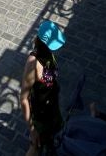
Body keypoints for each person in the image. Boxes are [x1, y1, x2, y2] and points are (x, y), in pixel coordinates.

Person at [21, 20, 65, 156]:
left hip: (52, 110)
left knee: (49, 140)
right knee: (36, 147)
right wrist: (32, 129)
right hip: (40, 117)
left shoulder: (48, 54)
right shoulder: (32, 63)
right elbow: (23, 99)